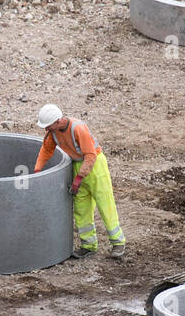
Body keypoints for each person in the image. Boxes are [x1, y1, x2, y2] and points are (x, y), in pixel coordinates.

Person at [34, 105, 125, 260]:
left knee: (105, 204)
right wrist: (37, 171)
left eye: (48, 125)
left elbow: (90, 155)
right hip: (77, 165)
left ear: (57, 121)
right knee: (81, 209)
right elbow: (46, 150)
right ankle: (88, 245)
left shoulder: (78, 128)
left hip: (96, 166)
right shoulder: (53, 133)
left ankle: (118, 243)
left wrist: (78, 179)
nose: (46, 129)